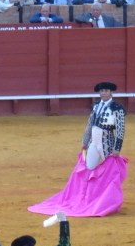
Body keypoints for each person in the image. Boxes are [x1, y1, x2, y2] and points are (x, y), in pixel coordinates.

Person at [29, 81, 128, 217]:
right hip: (94, 141)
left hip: (108, 143)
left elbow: (120, 129)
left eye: (106, 90)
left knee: (108, 171)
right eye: (101, 91)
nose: (103, 93)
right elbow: (89, 125)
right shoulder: (96, 105)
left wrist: (117, 148)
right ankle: (90, 198)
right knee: (89, 167)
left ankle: (106, 200)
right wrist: (85, 141)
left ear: (111, 92)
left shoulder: (117, 108)